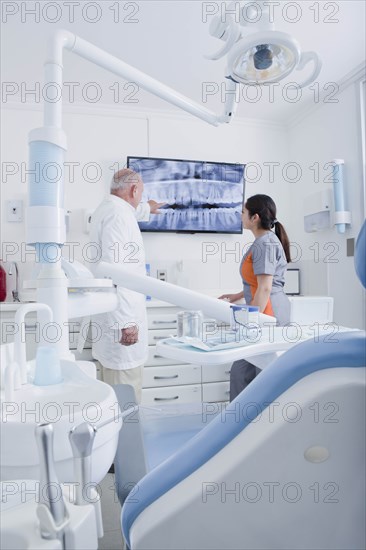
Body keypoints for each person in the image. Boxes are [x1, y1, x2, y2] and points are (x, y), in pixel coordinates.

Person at [219, 194, 292, 401]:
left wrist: (252, 320)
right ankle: (242, 423)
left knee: (263, 377)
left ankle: (260, 426)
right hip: (265, 308)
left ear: (255, 217)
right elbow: (259, 282)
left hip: (268, 313)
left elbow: (266, 288)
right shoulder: (263, 241)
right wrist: (239, 295)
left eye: (243, 212)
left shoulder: (265, 244)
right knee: (241, 372)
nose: (240, 215)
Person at [90, 168, 149, 403]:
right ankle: (126, 441)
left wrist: (150, 208)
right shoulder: (118, 215)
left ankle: (118, 440)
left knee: (112, 393)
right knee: (125, 396)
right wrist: (126, 323)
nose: (141, 198)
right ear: (134, 190)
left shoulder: (109, 209)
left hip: (111, 322)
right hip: (120, 325)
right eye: (141, 193)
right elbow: (118, 272)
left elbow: (136, 209)